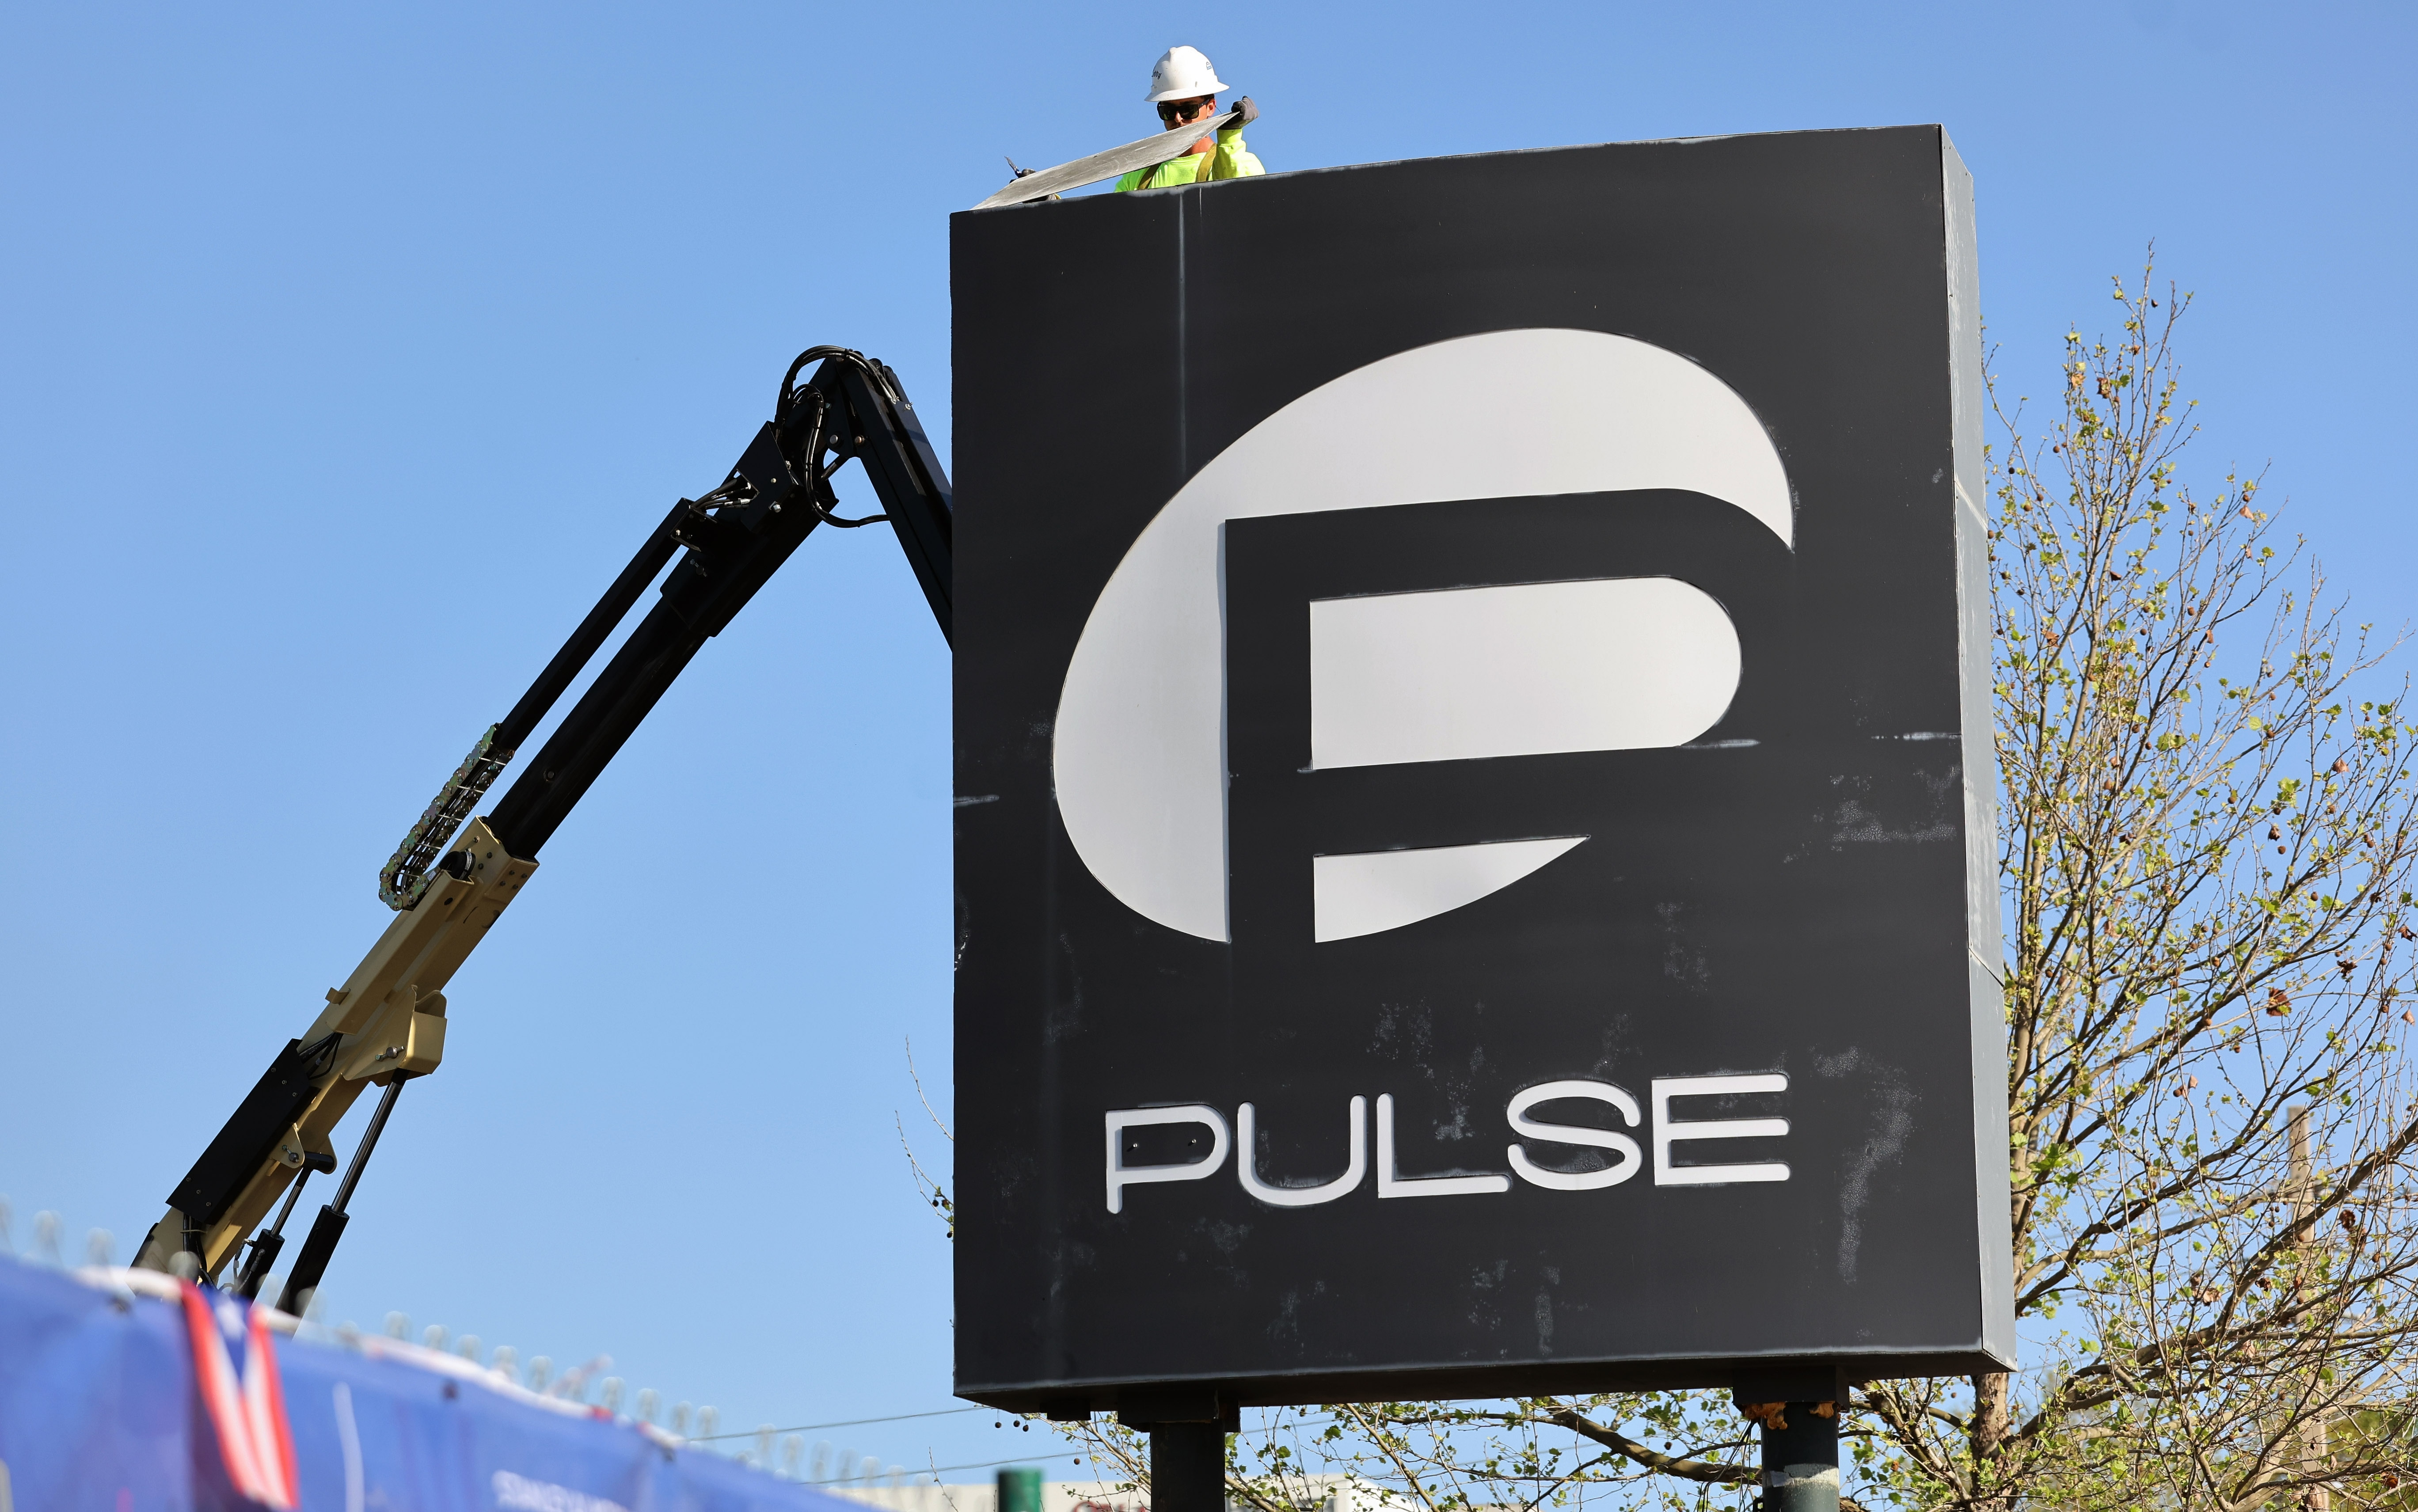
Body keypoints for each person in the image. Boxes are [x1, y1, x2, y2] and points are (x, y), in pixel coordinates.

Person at [1115, 46, 1262, 192]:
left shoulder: (1242, 164)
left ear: (1211, 107)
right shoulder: (1138, 177)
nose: (1178, 118)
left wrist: (1230, 137)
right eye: (1168, 111)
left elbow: (1236, 199)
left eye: (1188, 110)